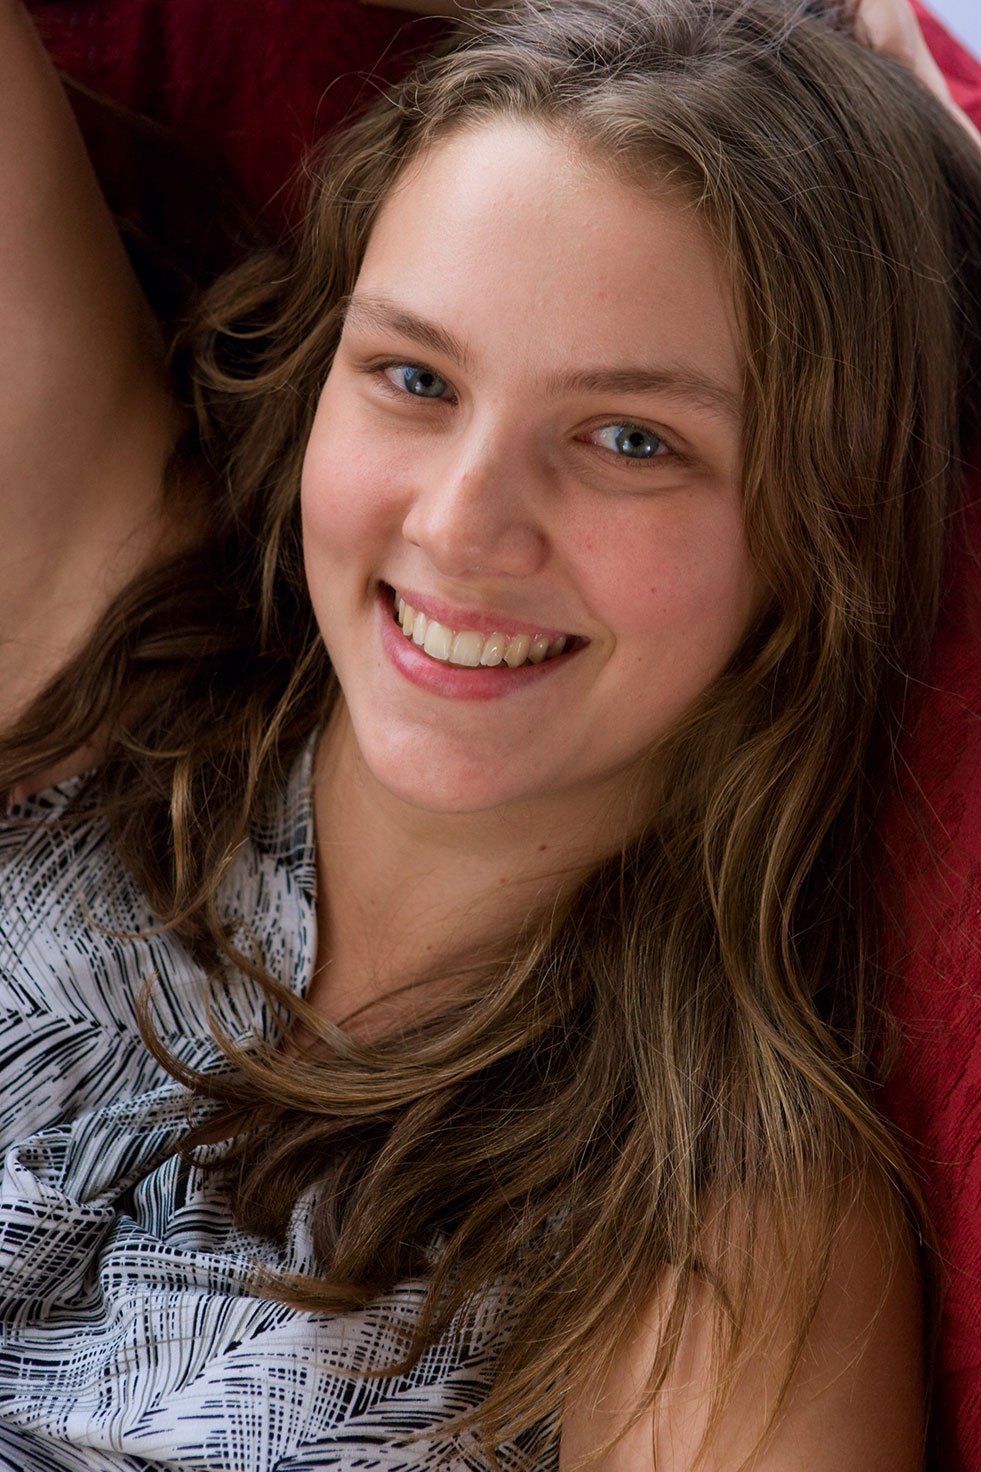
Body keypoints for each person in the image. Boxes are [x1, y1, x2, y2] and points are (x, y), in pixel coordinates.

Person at [0, 0, 978, 1467]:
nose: (460, 527)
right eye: (415, 377)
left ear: (825, 523)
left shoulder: (715, 1232)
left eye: (631, 440)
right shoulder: (104, 643)